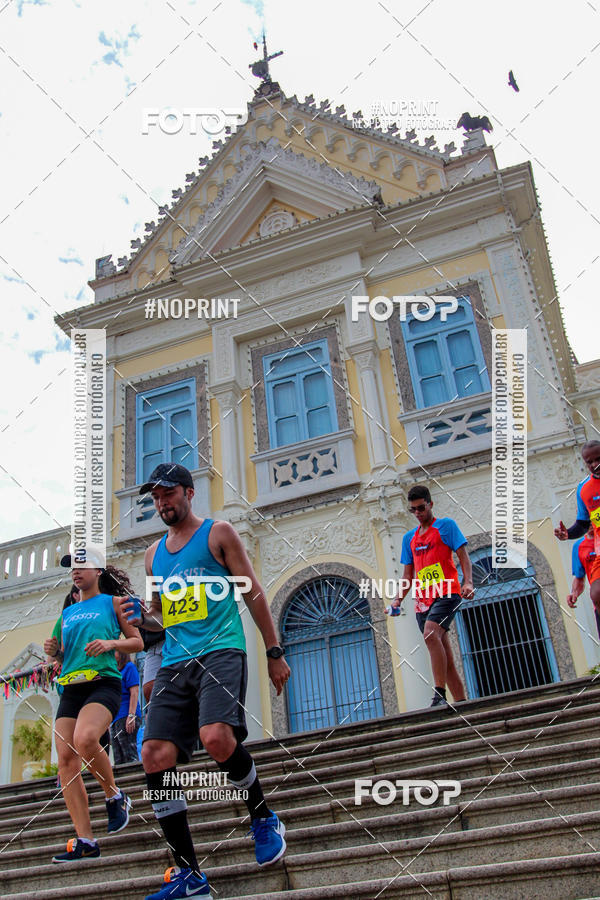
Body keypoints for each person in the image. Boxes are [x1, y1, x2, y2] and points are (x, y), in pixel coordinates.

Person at [121, 462, 291, 900]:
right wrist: (142, 615)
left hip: (220, 650)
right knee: (154, 754)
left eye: (168, 494)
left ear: (188, 492)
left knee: (216, 737)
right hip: (176, 660)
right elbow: (160, 614)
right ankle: (190, 877)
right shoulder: (153, 554)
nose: (161, 503)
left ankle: (262, 816)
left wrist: (274, 652)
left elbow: (252, 590)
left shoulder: (219, 533)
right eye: (155, 497)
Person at [44, 551, 143, 863]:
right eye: (72, 568)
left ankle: (115, 795)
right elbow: (58, 658)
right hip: (71, 688)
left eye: (81, 566)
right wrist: (53, 652)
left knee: (85, 739)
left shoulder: (113, 604)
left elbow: (137, 641)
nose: (75, 572)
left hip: (104, 683)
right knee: (66, 759)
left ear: (98, 570)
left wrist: (111, 644)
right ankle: (85, 839)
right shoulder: (67, 613)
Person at [385, 484, 473, 708]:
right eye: (412, 510)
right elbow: (408, 574)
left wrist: (468, 582)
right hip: (423, 601)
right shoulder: (409, 539)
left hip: (447, 593)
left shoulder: (446, 526)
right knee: (446, 658)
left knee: (430, 635)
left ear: (430, 504)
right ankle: (462, 704)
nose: (417, 513)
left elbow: (463, 556)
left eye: (421, 508)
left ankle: (439, 694)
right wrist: (397, 599)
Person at [555, 440, 600, 613]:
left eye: (598, 459)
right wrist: (568, 533)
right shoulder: (584, 489)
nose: (595, 465)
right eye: (589, 462)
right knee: (596, 594)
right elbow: (583, 524)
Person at [566, 523, 600, 638]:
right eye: (586, 520)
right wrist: (574, 593)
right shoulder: (578, 547)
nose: (590, 523)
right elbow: (579, 578)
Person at [110, 651, 142, 765]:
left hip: (126, 715)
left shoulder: (129, 667)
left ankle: (134, 779)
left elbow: (134, 692)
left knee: (129, 752)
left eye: (115, 652)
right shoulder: (115, 672)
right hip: (116, 718)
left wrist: (131, 715)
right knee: (118, 756)